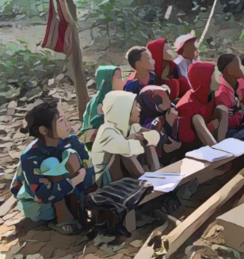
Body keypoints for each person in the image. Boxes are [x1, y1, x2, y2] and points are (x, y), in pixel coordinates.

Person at [11, 101, 95, 235]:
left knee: (71, 156)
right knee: (50, 164)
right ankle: (62, 217)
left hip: (70, 192)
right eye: (61, 121)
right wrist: (76, 179)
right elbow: (42, 194)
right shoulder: (30, 156)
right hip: (40, 204)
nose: (67, 124)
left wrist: (74, 183)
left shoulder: (72, 142)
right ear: (44, 130)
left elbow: (89, 172)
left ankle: (74, 208)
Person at [91, 91, 161, 188]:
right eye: (136, 106)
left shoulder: (131, 126)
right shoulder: (106, 131)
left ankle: (157, 175)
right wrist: (140, 140)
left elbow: (155, 136)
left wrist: (142, 137)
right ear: (124, 109)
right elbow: (127, 149)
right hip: (106, 180)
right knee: (125, 152)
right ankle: (144, 183)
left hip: (124, 173)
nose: (139, 109)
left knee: (146, 138)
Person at [177, 62, 229, 146]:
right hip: (195, 144)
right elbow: (185, 137)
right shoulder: (186, 105)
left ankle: (222, 144)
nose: (219, 78)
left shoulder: (211, 95)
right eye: (215, 75)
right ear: (205, 79)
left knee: (222, 109)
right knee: (197, 118)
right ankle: (216, 151)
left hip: (210, 133)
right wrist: (210, 127)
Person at [136, 86, 182, 164]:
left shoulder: (171, 111)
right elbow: (162, 148)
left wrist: (179, 144)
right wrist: (168, 125)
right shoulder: (153, 124)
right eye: (166, 98)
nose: (169, 101)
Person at [80, 66, 123, 145]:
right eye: (119, 77)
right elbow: (96, 124)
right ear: (107, 81)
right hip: (95, 139)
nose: (122, 81)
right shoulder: (100, 101)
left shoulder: (116, 98)